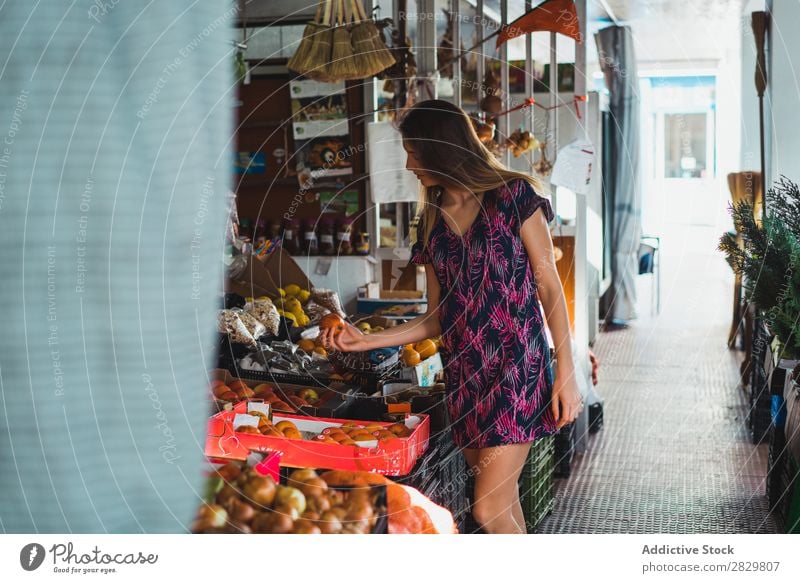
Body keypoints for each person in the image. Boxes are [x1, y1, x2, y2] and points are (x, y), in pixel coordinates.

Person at [321, 99, 582, 533]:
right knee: (503, 504)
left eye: (414, 152)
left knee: (487, 508)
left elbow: (549, 287)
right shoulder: (432, 222)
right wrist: (365, 340)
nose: (408, 164)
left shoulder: (513, 197)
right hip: (465, 374)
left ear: (441, 148)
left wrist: (565, 370)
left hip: (517, 366)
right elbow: (437, 318)